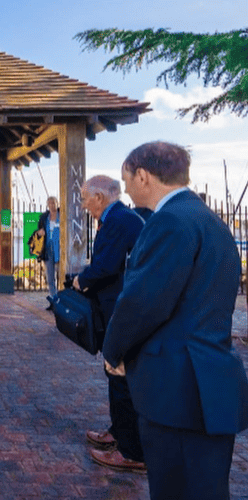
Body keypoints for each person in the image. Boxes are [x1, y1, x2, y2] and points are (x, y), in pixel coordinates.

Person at [103, 141, 248, 500]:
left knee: (175, 488)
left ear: (143, 175)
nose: (125, 189)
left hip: (177, 387)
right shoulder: (207, 218)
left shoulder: (168, 221)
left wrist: (113, 350)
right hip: (209, 380)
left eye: (126, 180)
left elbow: (143, 300)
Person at [71, 176, 146, 472]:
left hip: (121, 310)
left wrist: (81, 280)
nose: (83, 205)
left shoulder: (118, 220)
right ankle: (119, 433)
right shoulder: (121, 217)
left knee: (119, 373)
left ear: (100, 197)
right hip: (118, 306)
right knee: (115, 372)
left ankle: (131, 451)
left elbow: (105, 265)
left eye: (84, 198)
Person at [37, 196, 60, 309]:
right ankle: (53, 300)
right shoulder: (44, 217)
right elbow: (39, 232)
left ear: (57, 203)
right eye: (50, 203)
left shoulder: (62, 215)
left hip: (60, 249)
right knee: (50, 277)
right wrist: (39, 232)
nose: (52, 205)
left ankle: (62, 300)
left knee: (62, 275)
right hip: (48, 249)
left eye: (54, 202)